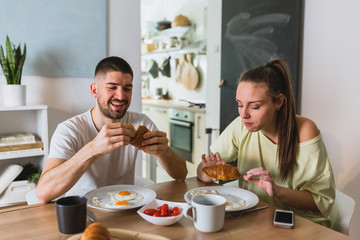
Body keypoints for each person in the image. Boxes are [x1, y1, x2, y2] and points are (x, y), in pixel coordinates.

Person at [197, 58, 335, 227]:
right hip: (258, 219)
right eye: (239, 104)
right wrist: (207, 172)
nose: (244, 114)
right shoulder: (241, 125)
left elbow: (319, 202)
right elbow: (201, 170)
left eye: (254, 106)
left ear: (279, 102)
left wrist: (277, 191)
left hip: (303, 226)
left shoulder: (305, 130)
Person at [36, 56, 187, 203]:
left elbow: (181, 174)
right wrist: (93, 149)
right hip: (83, 212)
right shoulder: (70, 130)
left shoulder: (140, 122)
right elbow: (43, 193)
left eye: (127, 88)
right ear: (94, 90)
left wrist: (165, 152)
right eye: (112, 88)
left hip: (126, 207)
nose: (121, 96)